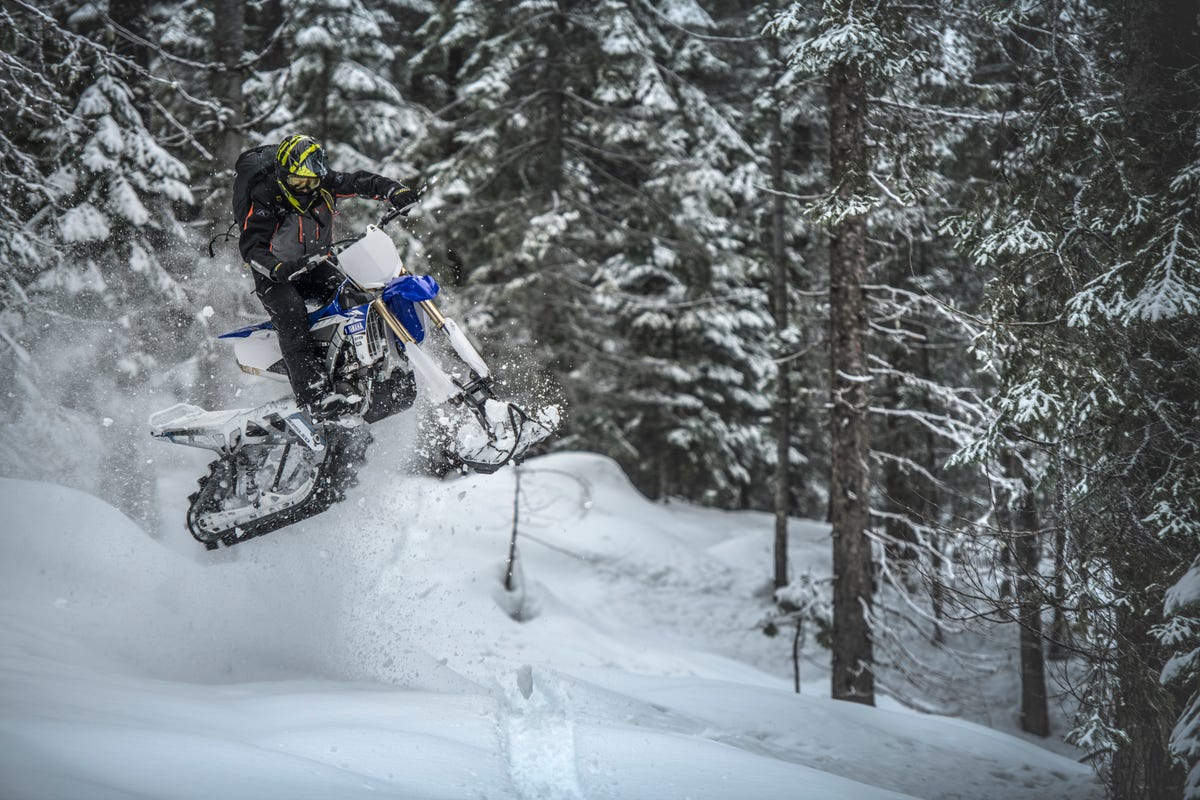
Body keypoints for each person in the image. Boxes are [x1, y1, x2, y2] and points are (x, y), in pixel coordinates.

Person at [237, 134, 419, 418]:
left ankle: (364, 371)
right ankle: (314, 396)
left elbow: (360, 181)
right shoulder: (265, 195)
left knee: (356, 296)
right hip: (276, 273)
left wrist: (393, 191)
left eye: (312, 182)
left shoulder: (323, 183)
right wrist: (277, 269)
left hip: (314, 264)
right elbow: (251, 247)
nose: (307, 188)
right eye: (299, 182)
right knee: (291, 314)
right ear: (284, 176)